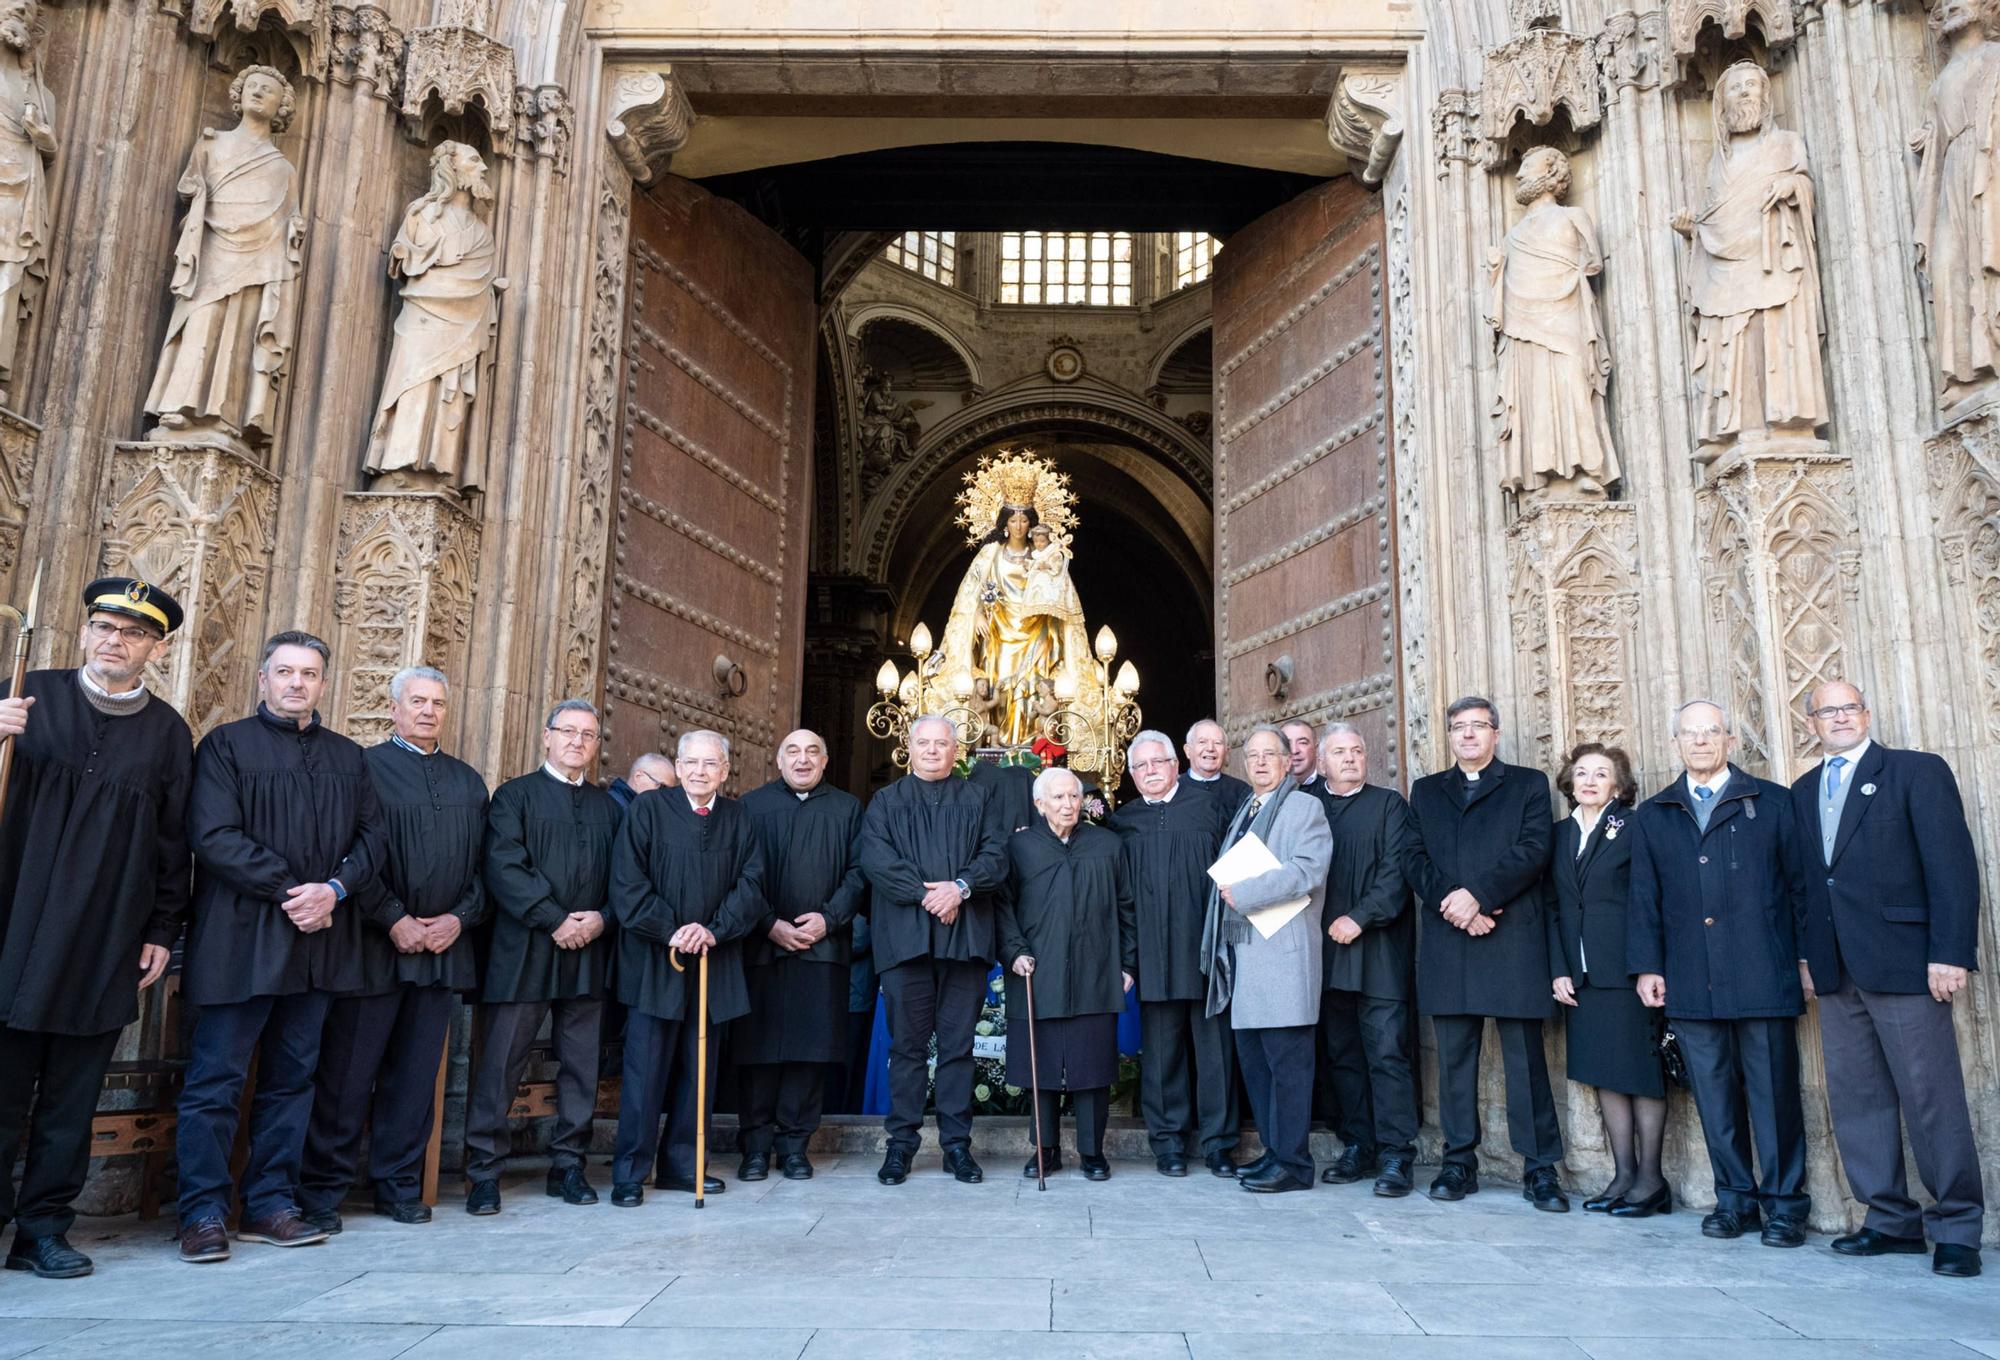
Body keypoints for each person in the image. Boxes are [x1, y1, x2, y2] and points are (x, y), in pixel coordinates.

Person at [175, 631, 386, 1263]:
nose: (298, 683)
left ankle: (269, 1204)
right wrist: (298, 891)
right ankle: (202, 1213)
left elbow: (374, 839)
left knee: (293, 1083)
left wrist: (337, 889)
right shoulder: (225, 746)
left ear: (326, 684)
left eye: (311, 673)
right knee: (215, 1083)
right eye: (286, 671)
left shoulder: (350, 757)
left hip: (317, 948)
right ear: (263, 677)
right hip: (240, 941)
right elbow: (213, 836)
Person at [0, 577, 190, 1279]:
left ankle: (44, 1229)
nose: (116, 641)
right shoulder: (24, 696)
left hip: (102, 936)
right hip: (12, 923)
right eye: (105, 627)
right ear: (84, 633)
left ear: (156, 647)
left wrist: (163, 929)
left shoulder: (168, 734)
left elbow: (174, 845)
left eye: (134, 633)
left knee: (71, 1099)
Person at [1789, 682, 1984, 1277]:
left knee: (1932, 1098)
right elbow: (1803, 883)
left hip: (1906, 961)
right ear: (1812, 722)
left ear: (1866, 715)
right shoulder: (1801, 790)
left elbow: (1951, 866)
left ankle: (1956, 1226)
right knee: (1858, 1099)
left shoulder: (1915, 772)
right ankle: (1889, 1220)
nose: (1839, 717)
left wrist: (1950, 953)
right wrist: (1804, 958)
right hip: (1835, 969)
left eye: (1849, 708)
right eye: (1828, 710)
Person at [298, 666, 488, 1232]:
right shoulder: (364, 769)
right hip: (372, 950)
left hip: (440, 953)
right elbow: (348, 855)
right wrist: (394, 918)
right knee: (348, 1073)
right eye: (417, 701)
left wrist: (459, 917)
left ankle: (399, 1184)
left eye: (437, 702)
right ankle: (323, 1189)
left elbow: (484, 868)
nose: (428, 711)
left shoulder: (468, 781)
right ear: (395, 707)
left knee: (414, 1077)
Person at [1630, 700, 1811, 1247]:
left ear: (1730, 741)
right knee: (1713, 1096)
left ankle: (1785, 1205)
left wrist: (1804, 961)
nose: (1701, 742)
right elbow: (1645, 898)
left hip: (1765, 972)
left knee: (1774, 1094)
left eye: (1711, 732)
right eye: (1690, 734)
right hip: (1690, 977)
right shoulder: (1655, 812)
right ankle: (1734, 1200)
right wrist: (1647, 967)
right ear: (1675, 744)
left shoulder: (1773, 802)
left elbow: (1801, 889)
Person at [1406, 696, 1566, 1211]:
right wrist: (1456, 905)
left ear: (1495, 734)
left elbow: (1534, 849)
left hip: (1512, 937)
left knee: (1526, 1062)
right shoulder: (1427, 791)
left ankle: (1540, 1169)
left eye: (1478, 726)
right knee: (1454, 1063)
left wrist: (1479, 895)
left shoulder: (1527, 784)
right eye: (1459, 727)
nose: (1468, 735)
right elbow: (1414, 857)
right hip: (1451, 938)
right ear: (1449, 736)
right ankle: (1458, 1163)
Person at [463, 699, 618, 1215]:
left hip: (589, 950)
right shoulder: (513, 797)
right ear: (545, 736)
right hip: (525, 948)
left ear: (598, 745)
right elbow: (504, 866)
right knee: (501, 1061)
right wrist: (554, 918)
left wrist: (602, 917)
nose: (578, 741)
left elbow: (627, 876)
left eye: (588, 734)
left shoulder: (607, 807)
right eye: (567, 731)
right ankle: (483, 1171)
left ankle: (568, 1164)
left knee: (581, 1065)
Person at [607, 729, 766, 1205]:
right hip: (659, 960)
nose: (699, 771)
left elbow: (753, 884)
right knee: (645, 1072)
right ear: (677, 767)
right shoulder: (648, 811)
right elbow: (627, 881)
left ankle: (682, 1164)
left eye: (710, 764)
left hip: (712, 960)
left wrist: (714, 929)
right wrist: (672, 930)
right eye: (691, 763)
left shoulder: (739, 818)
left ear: (725, 770)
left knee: (699, 1072)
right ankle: (630, 1172)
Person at [856, 714, 1008, 1186]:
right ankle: (900, 1146)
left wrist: (960, 887)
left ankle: (956, 1148)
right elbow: (876, 859)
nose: (932, 750)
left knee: (959, 1050)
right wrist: (929, 895)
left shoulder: (979, 798)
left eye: (942, 743)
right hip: (906, 941)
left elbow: (997, 855)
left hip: (964, 943)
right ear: (909, 746)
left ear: (955, 749)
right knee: (907, 1049)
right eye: (924, 743)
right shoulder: (885, 801)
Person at [735, 729, 864, 1181]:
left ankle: (794, 1146)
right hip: (762, 948)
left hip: (822, 949)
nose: (803, 760)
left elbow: (858, 873)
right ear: (778, 760)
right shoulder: (750, 807)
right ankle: (754, 1147)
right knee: (759, 1053)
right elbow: (739, 874)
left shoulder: (847, 809)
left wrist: (828, 920)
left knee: (810, 1053)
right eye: (793, 751)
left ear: (825, 762)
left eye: (813, 752)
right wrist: (769, 923)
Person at [1208, 726, 1332, 1194]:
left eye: (1270, 755)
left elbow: (1307, 870)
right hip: (1246, 957)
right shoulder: (1247, 808)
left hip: (1283, 956)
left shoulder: (1304, 807)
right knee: (1257, 1067)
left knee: (1289, 1068)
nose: (1260, 763)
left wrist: (1245, 892)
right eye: (1253, 755)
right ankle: (1275, 1152)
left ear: (1289, 762)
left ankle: (1296, 1165)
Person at [1109, 730, 1239, 1178]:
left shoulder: (1212, 810)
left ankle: (1219, 1142)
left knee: (1215, 1052)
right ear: (1132, 774)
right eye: (1140, 766)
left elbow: (1241, 875)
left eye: (1157, 763)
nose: (1150, 772)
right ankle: (1168, 1143)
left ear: (1174, 765)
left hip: (1205, 951)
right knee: (1162, 1053)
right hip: (1153, 954)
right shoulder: (1122, 823)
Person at [1546, 743, 1665, 1217]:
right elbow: (1553, 905)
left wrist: (1647, 966)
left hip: (1626, 972)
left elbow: (1648, 899)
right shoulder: (1558, 834)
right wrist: (1558, 968)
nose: (1590, 781)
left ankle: (1652, 1181)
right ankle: (1623, 1176)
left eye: (1601, 774)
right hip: (1582, 977)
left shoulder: (1634, 827)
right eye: (1582, 773)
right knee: (1606, 1077)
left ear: (1618, 784)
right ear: (1569, 783)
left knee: (1641, 1076)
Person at [1000, 766, 1137, 1180]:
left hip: (1096, 971)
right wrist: (1014, 952)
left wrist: (1128, 963)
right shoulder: (1018, 847)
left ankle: (1092, 1152)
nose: (1067, 805)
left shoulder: (1108, 845)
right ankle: (1045, 1149)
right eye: (1057, 798)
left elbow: (1127, 908)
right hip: (1036, 971)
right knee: (1040, 1068)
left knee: (1092, 1067)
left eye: (1074, 797)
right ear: (1040, 804)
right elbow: (1002, 909)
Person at [1311, 725, 1421, 1198]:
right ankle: (1358, 1144)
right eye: (1339, 752)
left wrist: (1359, 917)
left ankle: (1397, 1152)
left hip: (1377, 952)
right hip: (1326, 955)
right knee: (1344, 1056)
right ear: (1321, 763)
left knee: (1387, 1054)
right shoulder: (1307, 807)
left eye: (1358, 750)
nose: (1351, 758)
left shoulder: (1390, 805)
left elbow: (1398, 871)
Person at [1183, 718, 1250, 815]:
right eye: (1202, 742)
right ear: (1188, 751)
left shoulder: (1242, 791)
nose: (1210, 748)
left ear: (1226, 752)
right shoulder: (1172, 789)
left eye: (1217, 743)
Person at [608, 751, 674, 809]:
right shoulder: (614, 807)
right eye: (662, 787)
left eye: (669, 793)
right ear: (638, 777)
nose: (665, 796)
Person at [1281, 719, 1322, 795]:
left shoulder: (1332, 791)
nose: (1294, 751)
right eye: (1287, 744)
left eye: (1302, 743)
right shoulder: (1266, 793)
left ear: (1316, 749)